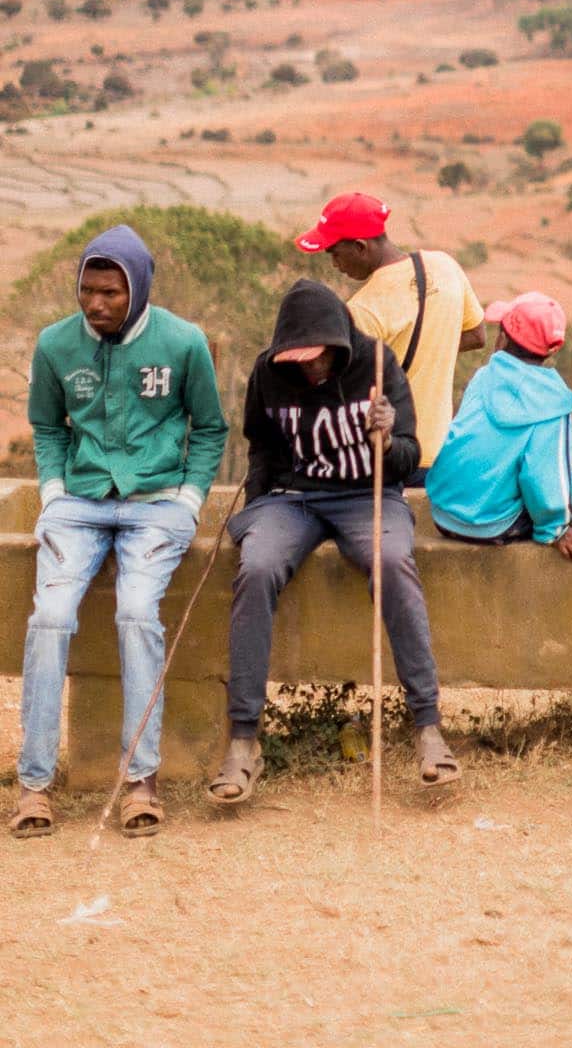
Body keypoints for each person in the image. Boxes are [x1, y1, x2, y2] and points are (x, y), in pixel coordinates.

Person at [208, 275, 457, 806]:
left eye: (318, 356)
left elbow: (411, 458)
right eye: (297, 358)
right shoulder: (267, 372)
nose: (309, 367)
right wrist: (257, 507)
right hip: (289, 498)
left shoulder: (376, 362)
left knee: (391, 560)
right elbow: (261, 445)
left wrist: (388, 439)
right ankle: (244, 739)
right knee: (256, 567)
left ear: (340, 341)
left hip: (367, 495)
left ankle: (428, 727)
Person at [13, 224, 227, 838]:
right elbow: (49, 428)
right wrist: (53, 494)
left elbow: (209, 429)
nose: (97, 304)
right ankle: (34, 786)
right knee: (50, 618)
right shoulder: (56, 345)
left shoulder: (183, 342)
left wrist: (188, 500)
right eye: (87, 290)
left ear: (137, 289)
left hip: (156, 504)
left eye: (110, 292)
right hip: (77, 504)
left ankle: (141, 781)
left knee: (136, 612)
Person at [296, 191, 486, 477]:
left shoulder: (362, 310)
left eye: (335, 253)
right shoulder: (445, 266)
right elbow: (477, 334)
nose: (335, 265)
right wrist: (431, 348)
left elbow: (345, 396)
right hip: (444, 456)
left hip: (394, 456)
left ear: (360, 247)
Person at [426, 289, 572, 553]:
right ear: (552, 350)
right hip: (490, 527)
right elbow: (541, 476)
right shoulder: (553, 402)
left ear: (502, 339)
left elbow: (490, 449)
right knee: (560, 509)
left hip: (442, 513)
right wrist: (556, 529)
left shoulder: (483, 378)